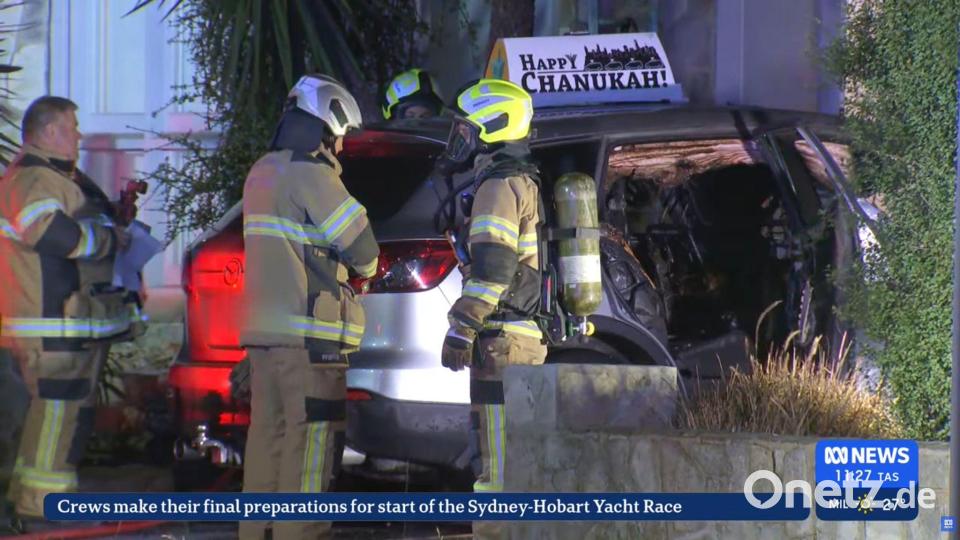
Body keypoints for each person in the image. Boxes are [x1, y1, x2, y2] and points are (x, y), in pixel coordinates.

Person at [238, 74, 379, 540]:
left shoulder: (262, 170)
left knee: (268, 440)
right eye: (340, 137)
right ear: (327, 124)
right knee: (311, 445)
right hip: (308, 341)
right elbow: (363, 250)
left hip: (264, 339)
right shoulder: (312, 175)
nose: (340, 147)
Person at [0, 96, 136, 532]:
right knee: (56, 423)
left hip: (61, 325)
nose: (78, 134)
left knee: (51, 425)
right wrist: (107, 239)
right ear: (48, 131)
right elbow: (48, 231)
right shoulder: (34, 179)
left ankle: (34, 506)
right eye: (72, 126)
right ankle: (42, 513)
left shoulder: (49, 177)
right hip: (52, 328)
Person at [438, 79, 545, 540]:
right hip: (522, 342)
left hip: (503, 345)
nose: (461, 138)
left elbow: (494, 268)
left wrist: (462, 326)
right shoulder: (523, 181)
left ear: (493, 127)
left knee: (498, 466)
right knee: (516, 460)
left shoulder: (499, 187)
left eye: (469, 128)